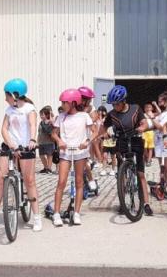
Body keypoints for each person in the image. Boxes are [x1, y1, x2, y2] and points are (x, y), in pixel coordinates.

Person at [0, 78, 42, 232]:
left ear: (15, 95)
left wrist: (32, 140)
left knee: (29, 181)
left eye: (7, 95)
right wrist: (11, 144)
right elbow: (4, 129)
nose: (5, 98)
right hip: (10, 147)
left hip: (26, 147)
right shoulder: (9, 110)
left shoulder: (29, 109)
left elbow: (33, 125)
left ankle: (37, 217)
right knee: (0, 179)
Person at [97, 85, 159, 216]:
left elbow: (144, 122)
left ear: (123, 101)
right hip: (121, 142)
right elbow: (103, 127)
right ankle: (123, 203)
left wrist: (142, 128)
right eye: (112, 104)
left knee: (140, 174)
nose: (114, 107)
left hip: (136, 141)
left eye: (116, 104)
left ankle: (146, 203)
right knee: (122, 173)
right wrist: (103, 135)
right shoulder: (112, 114)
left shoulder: (135, 109)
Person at [52, 88, 94, 226]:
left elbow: (94, 132)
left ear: (73, 103)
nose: (62, 105)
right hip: (65, 153)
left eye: (65, 102)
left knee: (79, 182)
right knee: (61, 182)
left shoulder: (84, 116)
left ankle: (76, 213)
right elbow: (54, 133)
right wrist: (59, 141)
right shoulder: (61, 117)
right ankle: (56, 213)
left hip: (79, 152)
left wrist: (86, 142)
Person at [37, 106, 57, 175]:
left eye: (42, 114)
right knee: (41, 155)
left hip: (49, 142)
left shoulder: (50, 122)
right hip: (41, 142)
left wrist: (51, 116)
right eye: (40, 115)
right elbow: (39, 133)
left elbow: (55, 126)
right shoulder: (40, 123)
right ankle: (45, 167)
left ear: (46, 114)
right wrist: (37, 141)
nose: (41, 116)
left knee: (49, 155)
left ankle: (49, 168)